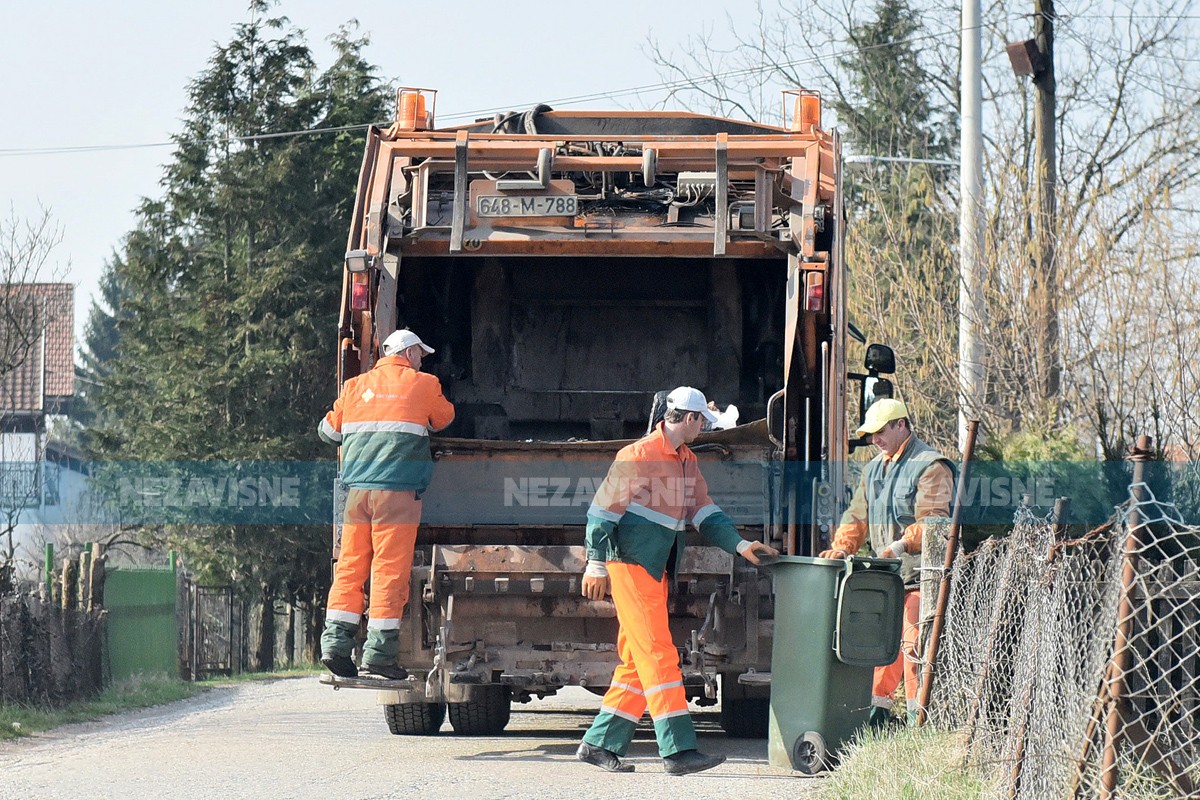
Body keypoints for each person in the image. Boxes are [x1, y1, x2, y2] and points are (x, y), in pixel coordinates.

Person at [576, 386, 778, 775]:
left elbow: (704, 512)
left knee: (638, 662)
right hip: (632, 567)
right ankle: (678, 750)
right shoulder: (637, 456)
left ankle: (598, 744)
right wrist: (595, 564)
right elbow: (601, 514)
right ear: (688, 419)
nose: (704, 426)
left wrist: (739, 546)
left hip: (654, 570)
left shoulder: (686, 462)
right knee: (659, 656)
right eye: (702, 420)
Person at [318, 328, 455, 680]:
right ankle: (378, 655)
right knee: (388, 572)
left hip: (357, 494)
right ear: (408, 353)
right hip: (396, 494)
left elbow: (328, 431)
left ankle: (335, 646)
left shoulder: (353, 387)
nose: (422, 359)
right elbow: (444, 419)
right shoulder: (423, 383)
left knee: (350, 567)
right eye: (420, 354)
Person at [818, 398, 954, 726]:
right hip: (887, 577)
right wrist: (841, 548)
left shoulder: (930, 465)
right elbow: (856, 515)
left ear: (901, 426)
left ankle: (916, 724)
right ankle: (876, 721)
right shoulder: (874, 469)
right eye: (870, 434)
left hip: (920, 576)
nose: (874, 439)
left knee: (912, 648)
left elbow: (935, 523)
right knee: (881, 651)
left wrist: (901, 544)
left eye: (880, 431)